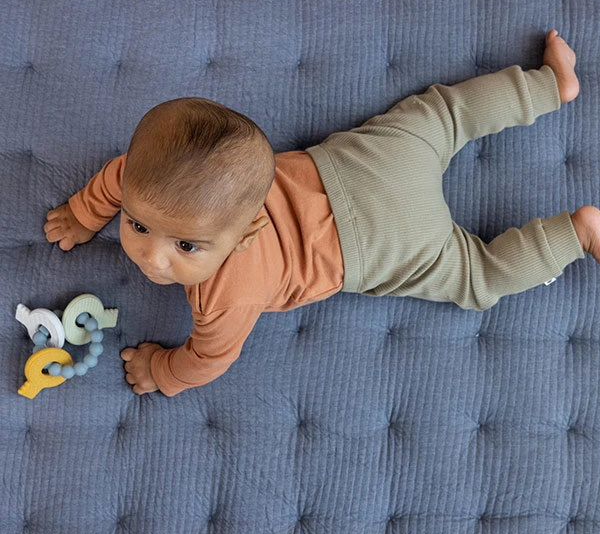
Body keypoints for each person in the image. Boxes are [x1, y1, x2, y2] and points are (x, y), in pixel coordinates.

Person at [44, 30, 600, 396]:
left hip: (382, 244)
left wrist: (161, 371)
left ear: (247, 234)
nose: (151, 257)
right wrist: (85, 212)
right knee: (444, 114)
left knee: (476, 276)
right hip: (369, 165)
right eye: (138, 224)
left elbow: (207, 359)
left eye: (186, 246)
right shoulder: (143, 178)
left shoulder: (226, 296)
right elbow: (120, 177)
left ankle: (575, 234)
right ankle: (550, 85)